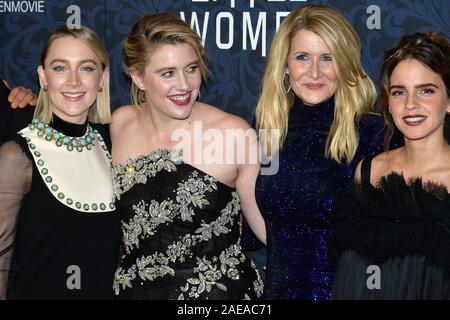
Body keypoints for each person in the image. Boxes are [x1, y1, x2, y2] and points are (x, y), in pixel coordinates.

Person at [110, 13, 265, 300]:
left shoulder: (233, 133)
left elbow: (268, 230)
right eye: (167, 73)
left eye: (191, 69)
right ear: (138, 77)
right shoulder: (121, 124)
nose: (184, 85)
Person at [254, 4, 386, 300]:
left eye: (327, 58)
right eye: (302, 57)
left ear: (346, 63)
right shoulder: (270, 129)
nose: (314, 72)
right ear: (285, 64)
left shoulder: (373, 134)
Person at [0, 26, 120, 299]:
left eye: (87, 68)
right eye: (60, 68)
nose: (74, 82)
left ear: (102, 77)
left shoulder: (116, 144)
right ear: (43, 76)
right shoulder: (16, 155)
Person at [329, 32, 450, 299]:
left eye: (426, 90)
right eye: (399, 92)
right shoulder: (368, 171)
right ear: (389, 103)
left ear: (449, 100)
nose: (410, 105)